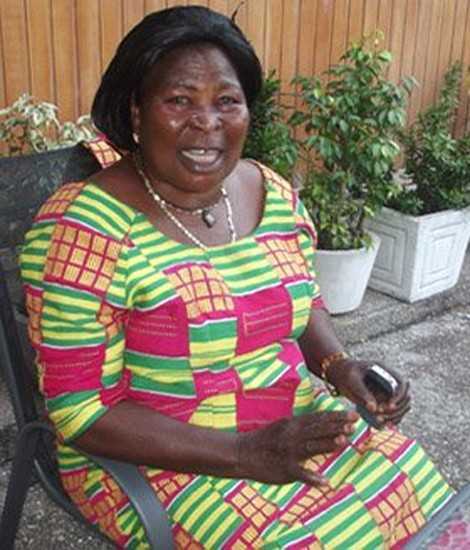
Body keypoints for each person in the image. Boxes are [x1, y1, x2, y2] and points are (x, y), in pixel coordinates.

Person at [20, 6, 453, 549]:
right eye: (179, 100)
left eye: (227, 101)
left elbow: (301, 301)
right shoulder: (83, 232)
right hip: (159, 459)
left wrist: (340, 366)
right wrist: (247, 454)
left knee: (428, 507)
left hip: (292, 422)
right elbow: (82, 413)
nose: (207, 122)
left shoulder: (271, 192)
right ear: (135, 111)